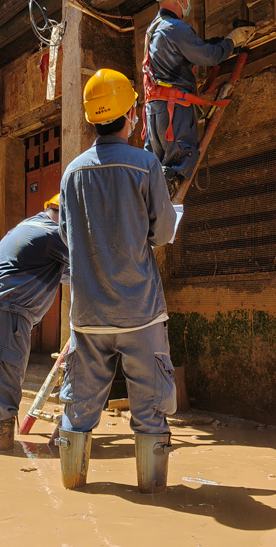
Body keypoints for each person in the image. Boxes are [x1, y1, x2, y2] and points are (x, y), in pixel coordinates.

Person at [57, 69, 178, 493]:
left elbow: (66, 238)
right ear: (131, 114)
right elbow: (162, 233)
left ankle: (73, 484)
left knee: (80, 406)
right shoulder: (145, 164)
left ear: (92, 119)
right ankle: (152, 490)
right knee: (150, 405)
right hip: (140, 313)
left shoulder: (71, 173)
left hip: (88, 314)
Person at [0, 194, 70, 452]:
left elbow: (65, 273)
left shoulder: (25, 229)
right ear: (65, 216)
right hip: (5, 314)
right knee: (1, 386)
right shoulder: (53, 235)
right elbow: (90, 264)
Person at [142, 0, 256, 190]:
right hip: (174, 113)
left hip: (154, 114)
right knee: (176, 170)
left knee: (159, 176)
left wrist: (217, 41)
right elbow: (209, 55)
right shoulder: (175, 28)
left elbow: (190, 51)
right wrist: (232, 41)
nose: (188, 2)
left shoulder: (153, 30)